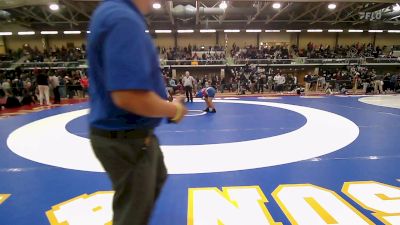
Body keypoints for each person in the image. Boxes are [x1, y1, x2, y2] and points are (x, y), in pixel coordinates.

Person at [87, 1, 188, 225]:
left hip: (125, 135)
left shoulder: (110, 12)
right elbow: (128, 96)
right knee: (133, 212)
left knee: (156, 176)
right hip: (127, 140)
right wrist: (174, 109)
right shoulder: (124, 20)